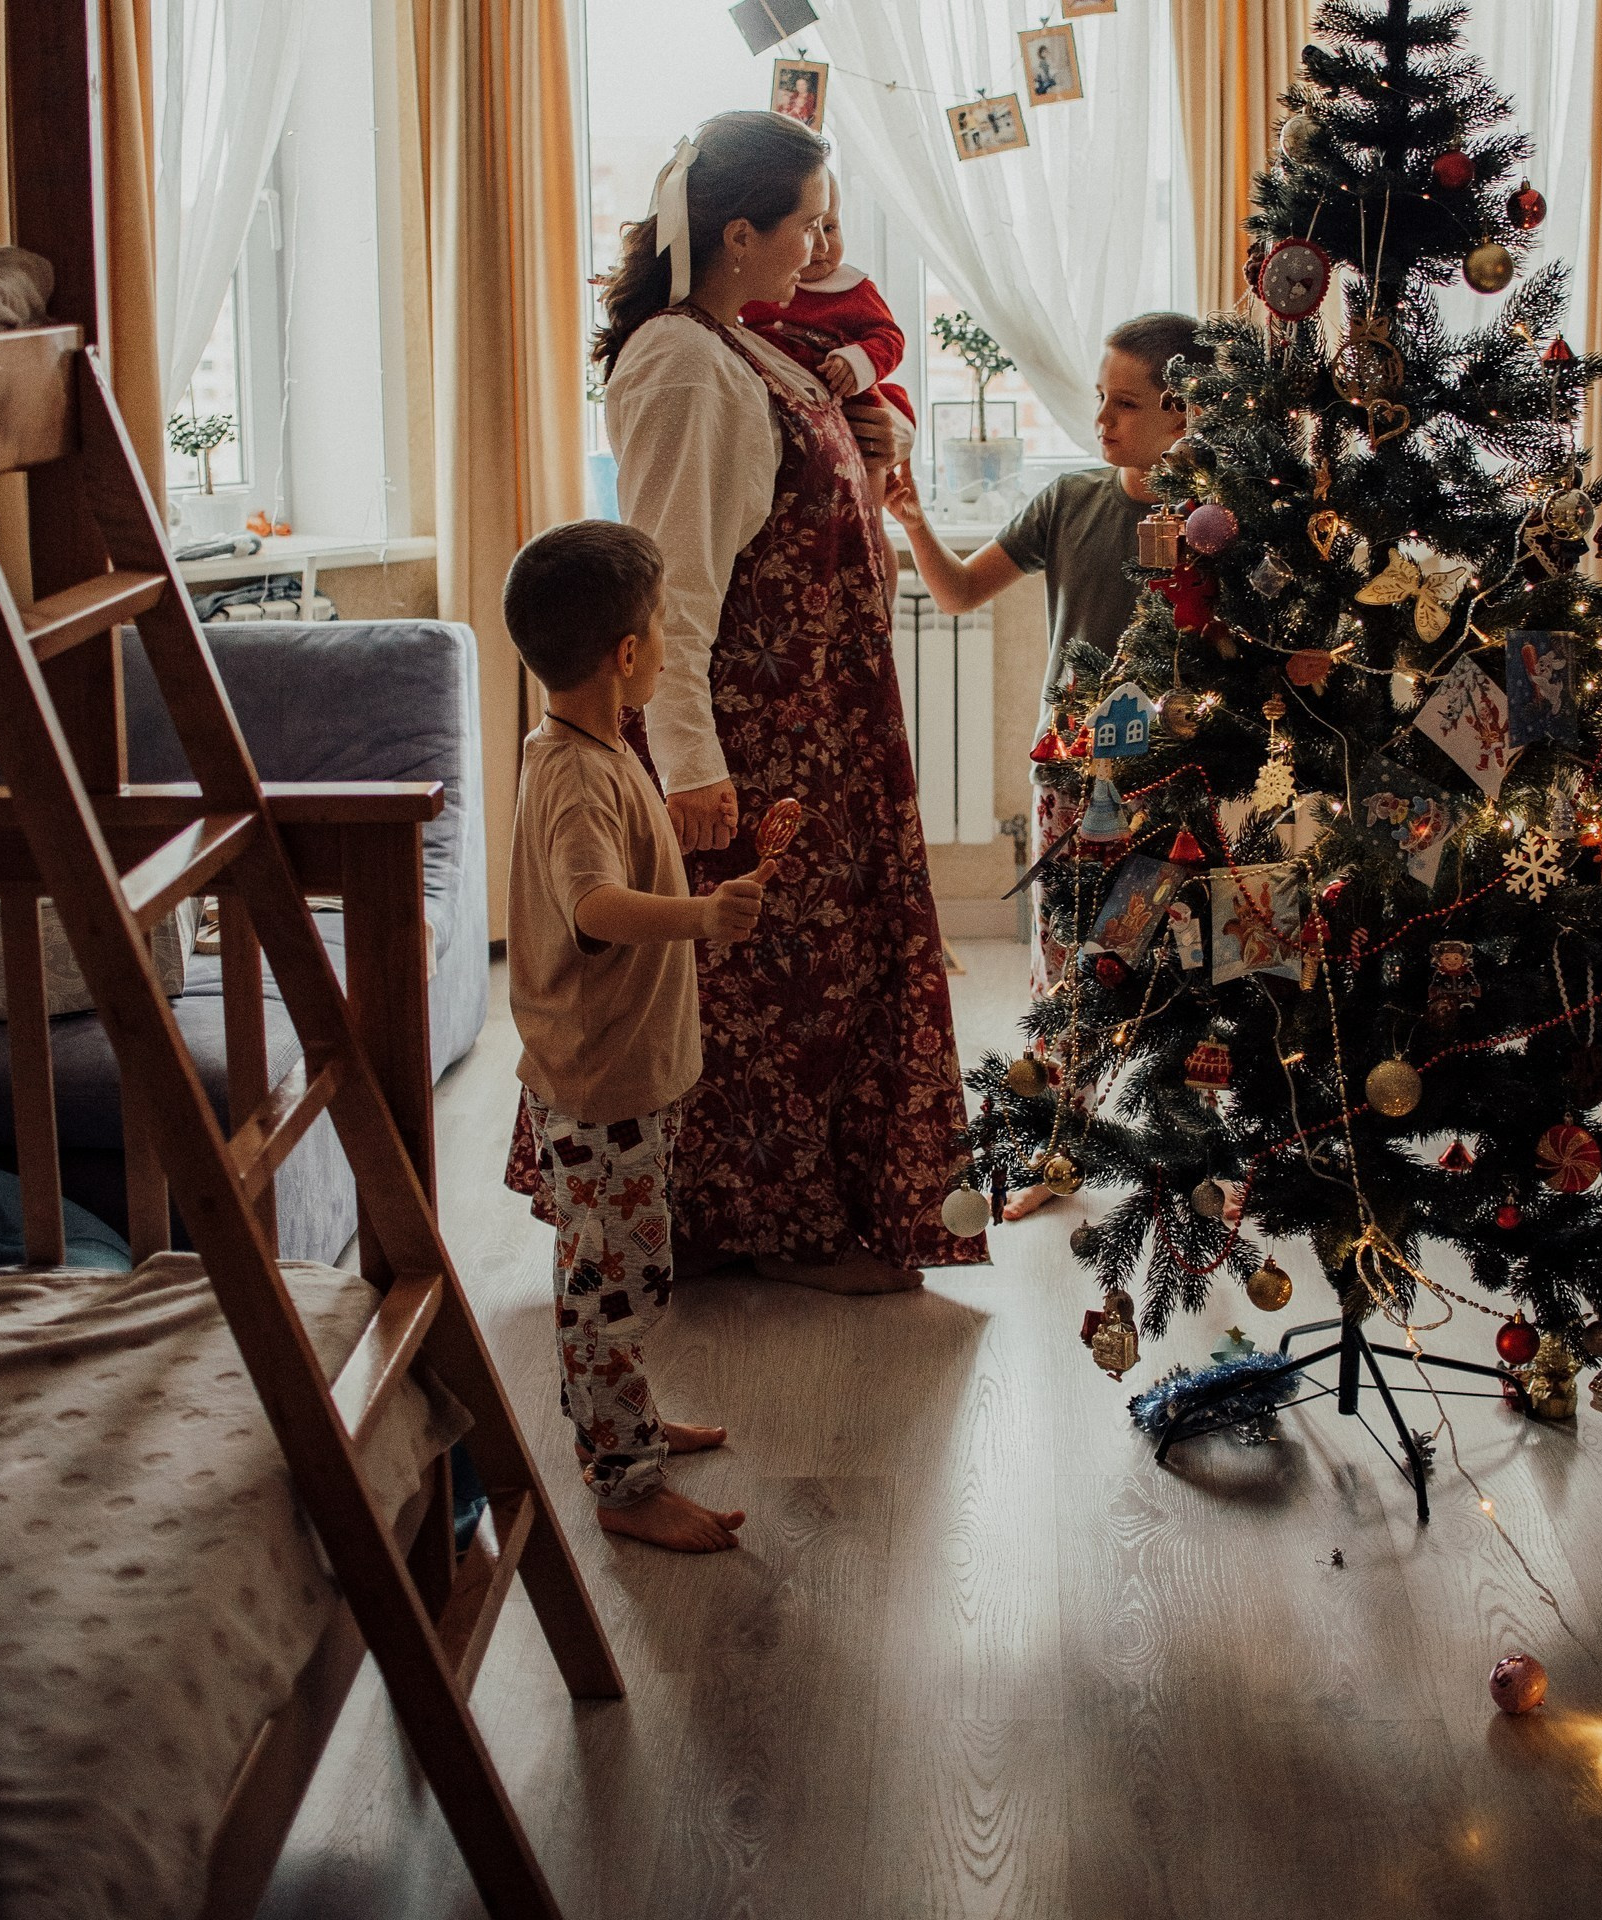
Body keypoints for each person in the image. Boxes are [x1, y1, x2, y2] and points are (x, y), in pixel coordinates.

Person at [579, 109, 983, 1293]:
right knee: (768, 990)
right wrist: (690, 762)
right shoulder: (683, 363)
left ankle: (800, 1215)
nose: (820, 247)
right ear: (739, 233)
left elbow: (822, 486)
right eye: (806, 223)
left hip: (817, 733)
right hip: (755, 745)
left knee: (811, 982)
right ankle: (767, 1230)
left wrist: (880, 434)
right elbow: (672, 590)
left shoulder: (743, 347)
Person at [884, 311, 1212, 1218]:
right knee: (1065, 971)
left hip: (1173, 790)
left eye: (1125, 404)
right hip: (1070, 784)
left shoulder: (1216, 524)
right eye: (1101, 398)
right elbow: (957, 592)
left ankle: (1191, 1152)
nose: (1101, 419)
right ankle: (1056, 1146)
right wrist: (913, 520)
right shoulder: (1069, 500)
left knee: (1177, 966)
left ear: (1183, 410)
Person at [502, 520, 773, 1553]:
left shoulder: (587, 747)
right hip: (601, 1082)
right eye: (661, 627)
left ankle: (621, 1423)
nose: (667, 644)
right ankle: (623, 1482)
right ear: (626, 655)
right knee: (612, 1287)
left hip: (616, 1074)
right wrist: (705, 916)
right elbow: (595, 906)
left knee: (620, 1269)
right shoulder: (578, 776)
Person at [740, 169, 911, 600]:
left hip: (856, 413)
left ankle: (879, 601)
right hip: (798, 426)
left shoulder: (854, 288)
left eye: (830, 228)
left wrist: (858, 361)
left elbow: (890, 338)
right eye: (809, 229)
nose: (820, 244)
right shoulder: (762, 289)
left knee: (869, 525)